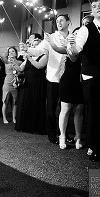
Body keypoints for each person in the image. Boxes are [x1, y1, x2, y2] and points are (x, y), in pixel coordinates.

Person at [67, 0, 100, 162]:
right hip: (92, 76)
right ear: (91, 11)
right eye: (94, 6)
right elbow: (75, 52)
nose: (97, 7)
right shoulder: (85, 30)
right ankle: (94, 147)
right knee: (94, 112)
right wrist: (71, 47)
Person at [39, 14, 70, 143]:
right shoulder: (50, 37)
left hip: (69, 78)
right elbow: (38, 50)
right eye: (57, 21)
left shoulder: (73, 36)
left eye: (61, 20)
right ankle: (51, 133)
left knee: (67, 108)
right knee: (51, 107)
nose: (59, 23)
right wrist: (27, 49)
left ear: (68, 22)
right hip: (53, 77)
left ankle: (64, 133)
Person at [15, 34, 48, 135]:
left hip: (38, 82)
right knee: (26, 101)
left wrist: (29, 58)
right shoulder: (28, 55)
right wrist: (13, 63)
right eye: (33, 41)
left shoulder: (45, 54)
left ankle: (36, 126)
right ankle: (25, 124)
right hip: (28, 81)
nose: (35, 42)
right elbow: (21, 68)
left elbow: (39, 66)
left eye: (37, 40)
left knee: (36, 101)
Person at [0, 47, 24, 124]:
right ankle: (4, 118)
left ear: (16, 53)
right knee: (5, 101)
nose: (11, 53)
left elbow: (21, 71)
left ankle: (14, 118)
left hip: (15, 83)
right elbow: (0, 55)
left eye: (13, 51)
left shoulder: (20, 62)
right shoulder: (6, 61)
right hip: (7, 82)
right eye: (9, 51)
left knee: (15, 101)